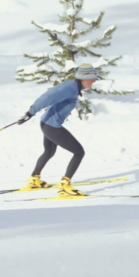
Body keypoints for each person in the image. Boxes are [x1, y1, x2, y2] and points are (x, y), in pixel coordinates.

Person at [17, 64, 98, 197]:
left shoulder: (72, 85)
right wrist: (31, 112)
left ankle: (34, 179)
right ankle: (65, 186)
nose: (94, 80)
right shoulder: (70, 88)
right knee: (79, 152)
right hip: (51, 126)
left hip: (46, 123)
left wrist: (31, 112)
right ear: (85, 78)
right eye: (93, 77)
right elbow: (48, 97)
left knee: (49, 152)